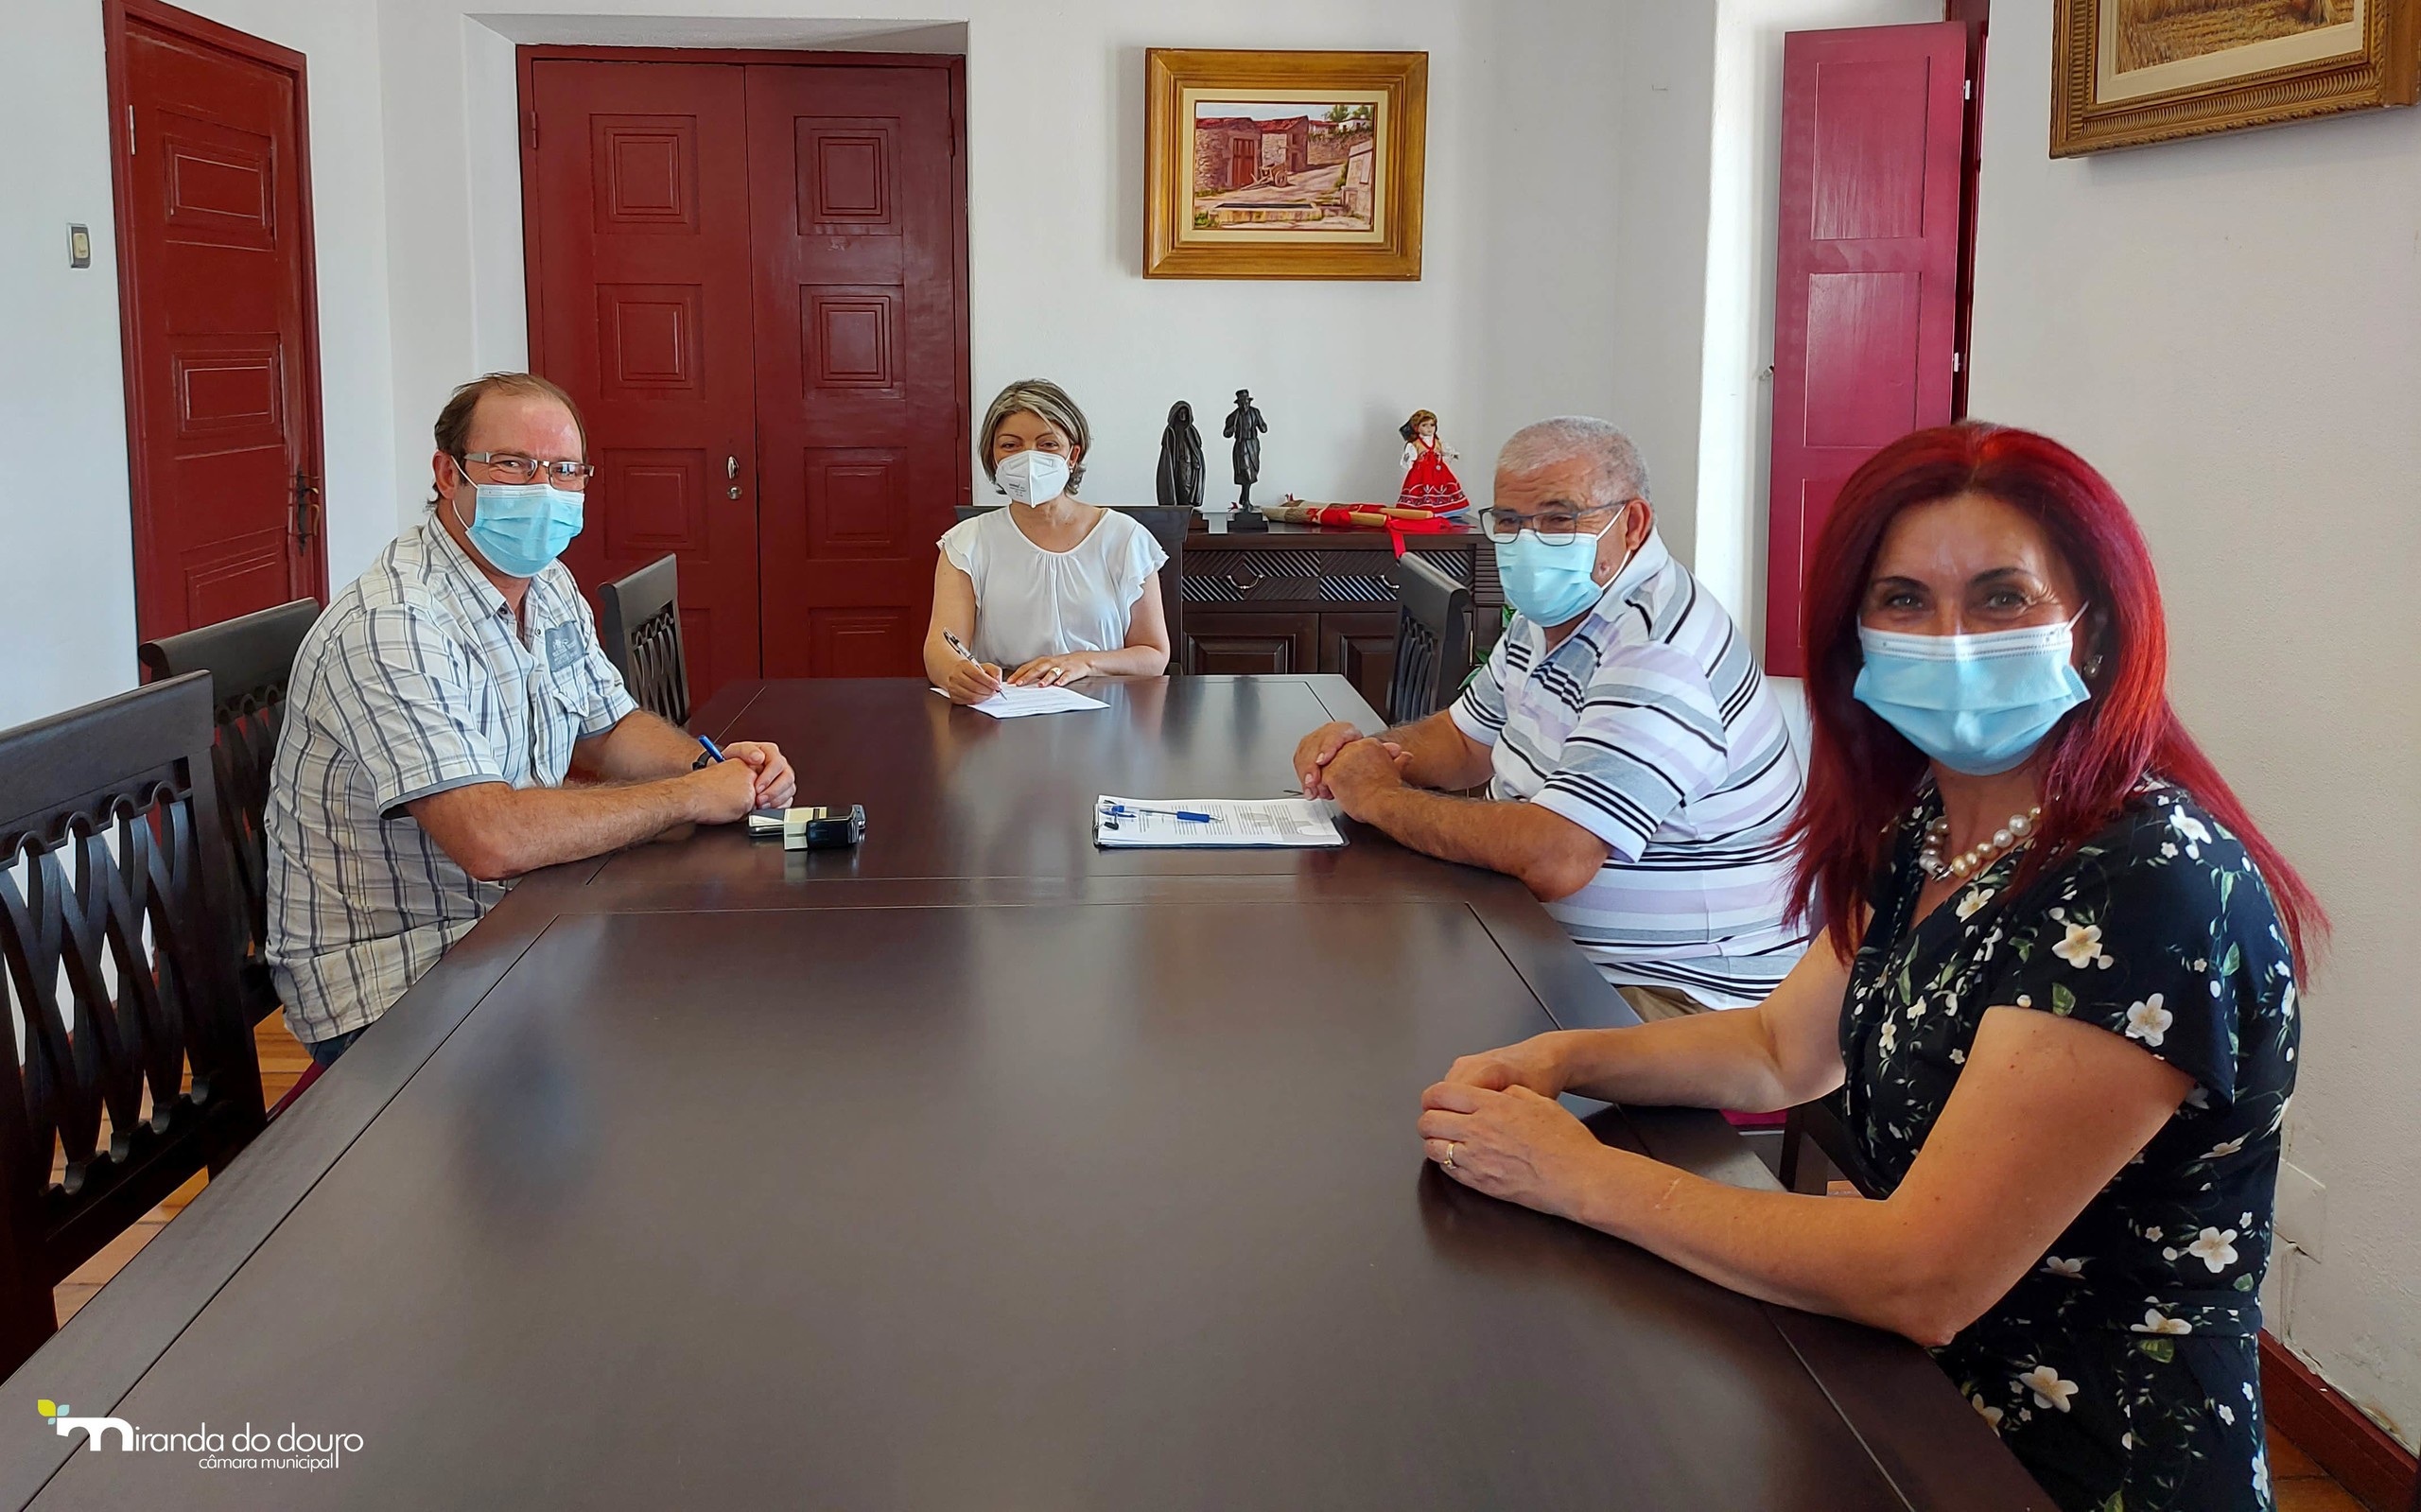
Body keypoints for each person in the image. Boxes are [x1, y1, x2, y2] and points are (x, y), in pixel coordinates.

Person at [1416, 423, 2319, 1512]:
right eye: (1903, 601)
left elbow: (1922, 1275)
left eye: (2001, 598)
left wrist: (1576, 1175)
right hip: (1900, 1394)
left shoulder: (2147, 884)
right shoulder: (1928, 821)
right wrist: (1563, 1059)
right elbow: (1776, 1050)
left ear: (2096, 624)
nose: (1949, 640)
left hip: (2077, 1454)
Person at [266, 373, 795, 1067]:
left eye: (565, 470)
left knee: (728, 1013)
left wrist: (719, 769)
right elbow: (491, 838)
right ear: (447, 475)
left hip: (522, 921)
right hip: (400, 980)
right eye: (513, 464)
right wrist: (691, 795)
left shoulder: (547, 583)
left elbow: (609, 728)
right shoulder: (393, 623)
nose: (543, 488)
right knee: (682, 1056)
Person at [1295, 417, 1807, 1017]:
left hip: (1678, 995)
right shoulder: (1554, 615)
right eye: (1510, 521)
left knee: (1374, 1017)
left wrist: (1379, 797)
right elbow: (1464, 742)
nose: (1527, 543)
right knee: (1344, 986)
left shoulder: (1657, 651)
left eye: (1560, 520)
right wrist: (1359, 754)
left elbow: (1558, 856)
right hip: (1545, 944)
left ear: (1632, 525)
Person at [925, 379, 1172, 703]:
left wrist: (1084, 662)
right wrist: (957, 673)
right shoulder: (966, 542)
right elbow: (941, 648)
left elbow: (1154, 655)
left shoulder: (1125, 537)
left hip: (1105, 711)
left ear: (1073, 455)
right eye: (1010, 445)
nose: (1029, 458)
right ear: (993, 457)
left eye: (1048, 444)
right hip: (1006, 708)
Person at [1396, 408, 1468, 512]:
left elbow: (1444, 451)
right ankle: (1421, 509)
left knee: (1443, 487)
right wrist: (1409, 461)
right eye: (1424, 425)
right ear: (1416, 428)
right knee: (1422, 490)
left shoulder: (1437, 442)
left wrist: (1451, 454)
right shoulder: (1415, 444)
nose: (1429, 428)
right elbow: (1409, 458)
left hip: (1439, 472)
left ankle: (1444, 509)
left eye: (1432, 425)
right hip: (1421, 473)